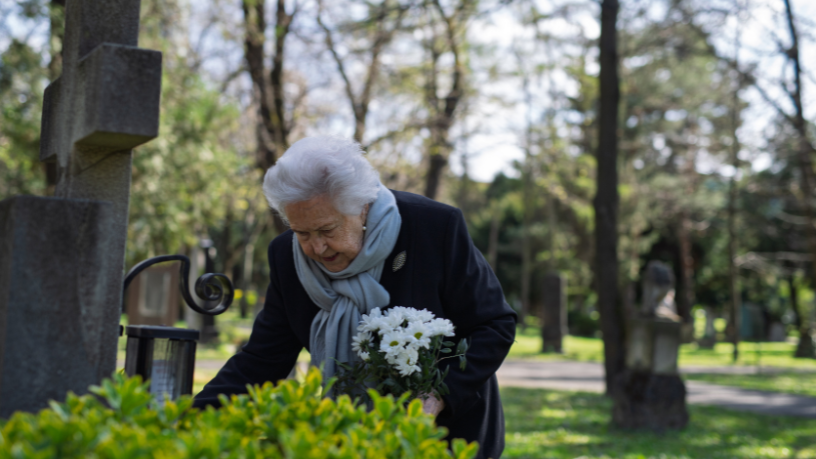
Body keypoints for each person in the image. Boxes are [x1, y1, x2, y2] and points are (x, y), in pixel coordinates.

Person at [194, 136, 517, 459]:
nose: (316, 248)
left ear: (363, 208)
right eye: (302, 233)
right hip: (348, 438)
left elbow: (494, 325)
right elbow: (262, 359)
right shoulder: (286, 256)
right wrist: (189, 422)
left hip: (447, 436)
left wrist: (435, 396)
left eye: (327, 230)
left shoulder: (433, 228)